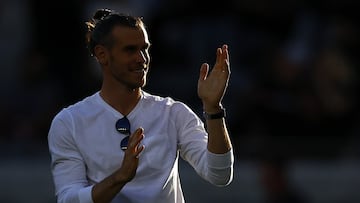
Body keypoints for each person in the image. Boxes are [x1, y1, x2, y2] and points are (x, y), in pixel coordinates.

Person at [47, 8, 234, 203]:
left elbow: (219, 175)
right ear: (102, 55)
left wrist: (213, 109)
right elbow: (68, 199)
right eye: (130, 50)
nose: (142, 59)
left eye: (144, 49)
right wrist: (120, 177)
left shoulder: (173, 113)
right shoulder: (69, 122)